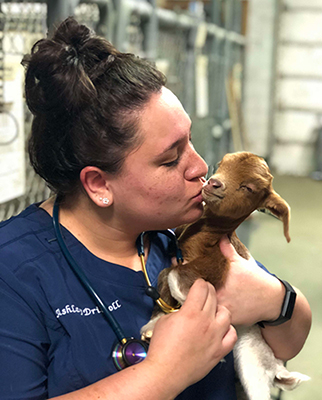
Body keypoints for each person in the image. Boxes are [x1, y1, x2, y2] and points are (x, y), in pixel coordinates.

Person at [0, 17, 311, 400]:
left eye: (191, 140)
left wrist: (276, 299)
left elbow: (292, 336)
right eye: (170, 159)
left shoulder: (184, 227)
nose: (200, 168)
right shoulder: (14, 272)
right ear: (99, 184)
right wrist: (165, 373)